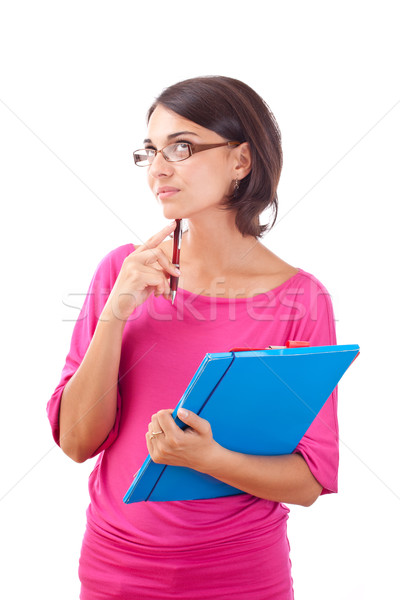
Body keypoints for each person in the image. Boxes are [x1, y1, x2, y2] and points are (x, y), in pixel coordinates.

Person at [47, 76, 338, 599]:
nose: (158, 169)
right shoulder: (123, 270)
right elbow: (76, 441)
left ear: (241, 161)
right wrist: (118, 308)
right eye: (151, 151)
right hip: (116, 568)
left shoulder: (301, 300)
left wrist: (207, 458)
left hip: (241, 574)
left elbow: (309, 481)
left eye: (181, 147)